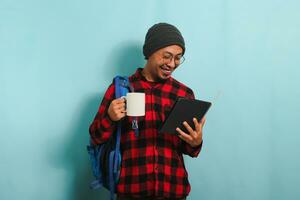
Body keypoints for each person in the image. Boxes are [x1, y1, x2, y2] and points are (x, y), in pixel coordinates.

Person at [89, 22, 206, 200]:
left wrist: (195, 142)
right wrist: (110, 117)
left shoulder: (183, 93)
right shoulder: (120, 88)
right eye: (166, 56)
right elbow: (96, 137)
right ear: (150, 51)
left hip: (173, 191)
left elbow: (189, 149)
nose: (172, 63)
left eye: (178, 58)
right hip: (131, 191)